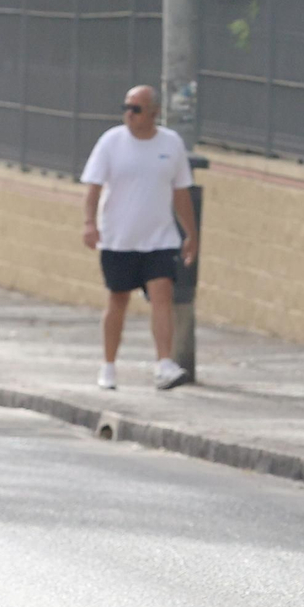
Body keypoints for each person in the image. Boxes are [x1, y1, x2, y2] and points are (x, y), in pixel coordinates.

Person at [80, 85, 198, 391]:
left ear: (154, 112)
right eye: (126, 108)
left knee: (162, 294)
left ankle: (164, 364)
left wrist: (190, 233)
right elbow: (93, 187)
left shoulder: (171, 144)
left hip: (159, 238)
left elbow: (181, 192)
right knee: (117, 299)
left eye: (136, 109)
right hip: (119, 238)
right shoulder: (111, 142)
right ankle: (108, 365)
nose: (129, 114)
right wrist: (89, 223)